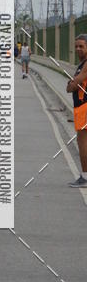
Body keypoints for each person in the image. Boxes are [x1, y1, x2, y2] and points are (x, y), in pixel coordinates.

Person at [66, 34, 87, 187]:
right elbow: (69, 86)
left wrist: (72, 83)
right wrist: (71, 84)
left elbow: (74, 84)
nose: (78, 49)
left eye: (81, 46)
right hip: (80, 107)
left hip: (84, 106)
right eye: (76, 46)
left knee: (82, 142)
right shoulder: (82, 64)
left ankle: (85, 177)